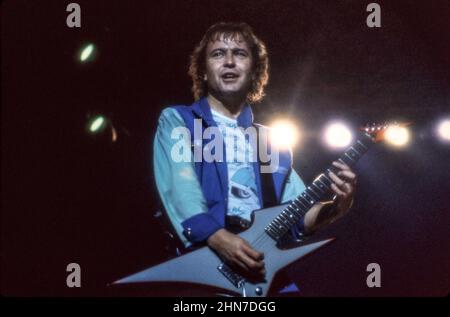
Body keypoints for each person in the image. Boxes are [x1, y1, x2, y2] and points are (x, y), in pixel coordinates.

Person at [153, 22, 357, 283]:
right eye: (217, 54)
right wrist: (218, 238)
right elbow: (180, 188)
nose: (229, 61)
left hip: (262, 268)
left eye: (240, 53)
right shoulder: (179, 119)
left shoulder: (271, 142)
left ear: (254, 72)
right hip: (205, 263)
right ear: (203, 72)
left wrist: (337, 207)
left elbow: (296, 214)